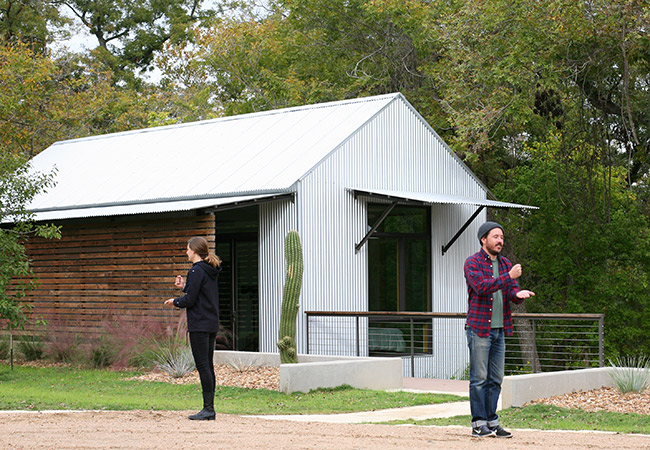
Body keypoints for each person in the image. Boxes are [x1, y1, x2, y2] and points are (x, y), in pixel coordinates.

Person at [464, 222, 535, 438]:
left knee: (496, 378)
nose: (500, 241)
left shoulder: (505, 264)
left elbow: (511, 291)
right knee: (479, 378)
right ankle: (478, 424)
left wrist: (518, 294)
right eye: (495, 237)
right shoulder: (472, 263)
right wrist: (509, 278)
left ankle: (492, 422)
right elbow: (482, 287)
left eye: (502, 237)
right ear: (483, 239)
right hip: (479, 329)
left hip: (500, 329)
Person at [164, 236, 222, 421]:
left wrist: (175, 301)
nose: (186, 252)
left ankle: (208, 409)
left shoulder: (196, 270)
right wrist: (184, 287)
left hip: (199, 324)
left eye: (188, 249)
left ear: (195, 251)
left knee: (202, 365)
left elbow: (190, 300)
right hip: (211, 323)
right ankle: (209, 408)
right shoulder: (209, 269)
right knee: (208, 365)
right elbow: (200, 293)